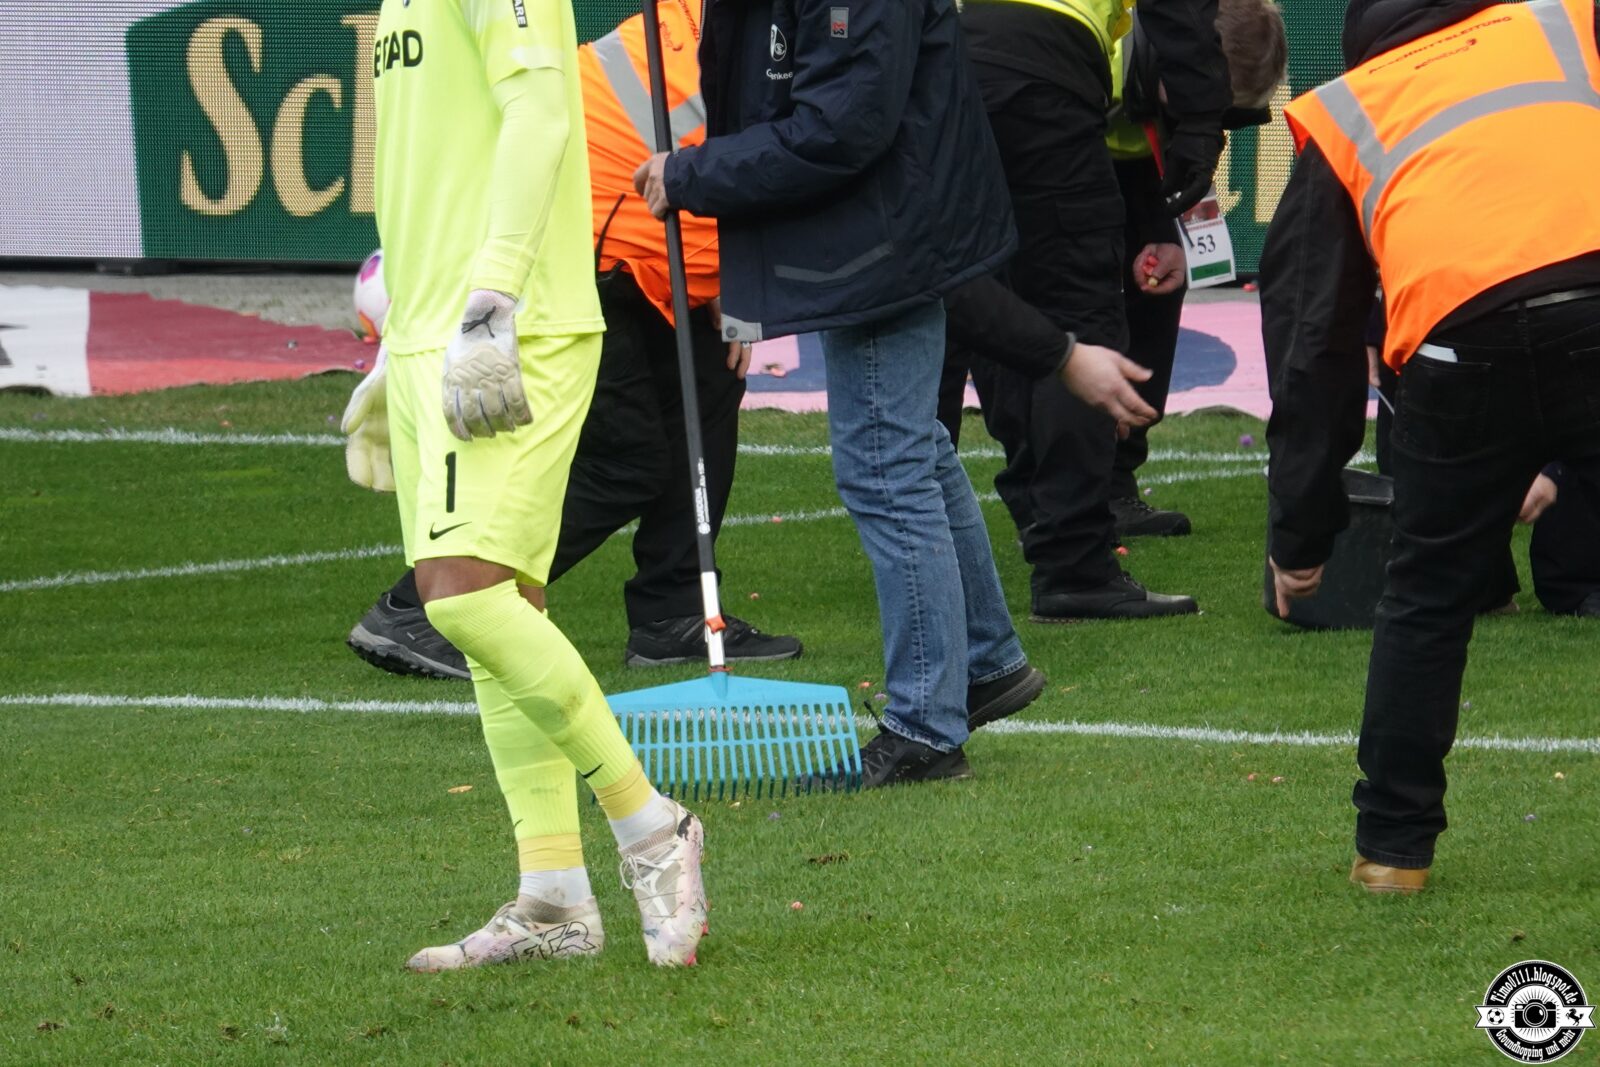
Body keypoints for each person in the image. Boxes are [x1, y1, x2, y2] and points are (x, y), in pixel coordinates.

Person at [633, 0, 1153, 786]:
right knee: (911, 447)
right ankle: (984, 662)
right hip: (874, 228)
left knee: (886, 460)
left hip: (882, 232)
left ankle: (925, 724)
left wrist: (695, 174)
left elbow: (842, 127)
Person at [350, 0, 707, 967]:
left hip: (510, 327)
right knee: (501, 611)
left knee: (461, 600)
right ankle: (554, 897)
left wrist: (491, 297)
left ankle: (653, 826)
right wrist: (402, 342)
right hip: (438, 335)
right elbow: (430, 171)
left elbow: (542, 111)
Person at [346, 0, 801, 680]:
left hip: (624, 251)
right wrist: (730, 281)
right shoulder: (736, 43)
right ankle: (430, 606)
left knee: (710, 381)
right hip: (570, 257)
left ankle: (675, 611)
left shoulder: (707, 25)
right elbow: (748, 164)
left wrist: (724, 286)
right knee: (625, 460)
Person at [1263, 0, 1600, 893]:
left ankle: (1392, 852)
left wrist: (1300, 534)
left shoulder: (1348, 107)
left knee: (1426, 597)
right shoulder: (1565, 22)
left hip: (1458, 340)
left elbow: (1315, 343)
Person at [936, 0, 1287, 547]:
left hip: (1095, 150)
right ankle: (1030, 496)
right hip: (1021, 128)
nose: (1200, 120)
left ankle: (1111, 481)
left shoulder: (1156, 71)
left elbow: (1149, 157)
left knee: (1152, 286)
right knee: (1032, 308)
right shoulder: (1098, 54)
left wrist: (1163, 231)